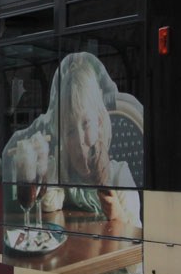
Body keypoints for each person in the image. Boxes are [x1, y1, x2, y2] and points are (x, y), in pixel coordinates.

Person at [45, 52, 141, 227]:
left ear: (99, 122)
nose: (80, 141)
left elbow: (137, 235)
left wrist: (119, 215)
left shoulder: (119, 176)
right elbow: (48, 205)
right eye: (70, 131)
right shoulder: (65, 177)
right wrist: (57, 164)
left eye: (86, 123)